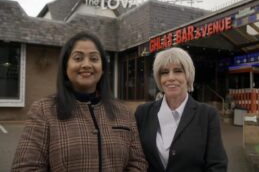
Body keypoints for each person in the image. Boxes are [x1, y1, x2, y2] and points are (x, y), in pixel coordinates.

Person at [11, 32, 148, 171]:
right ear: (65, 67)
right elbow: (25, 168)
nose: (87, 65)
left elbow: (138, 163)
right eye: (78, 58)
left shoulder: (124, 112)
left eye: (94, 59)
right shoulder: (44, 110)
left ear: (102, 68)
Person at [135, 47, 227, 172]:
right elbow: (135, 159)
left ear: (188, 76)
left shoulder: (207, 115)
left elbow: (217, 166)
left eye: (178, 71)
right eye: (164, 72)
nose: (170, 77)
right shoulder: (143, 113)